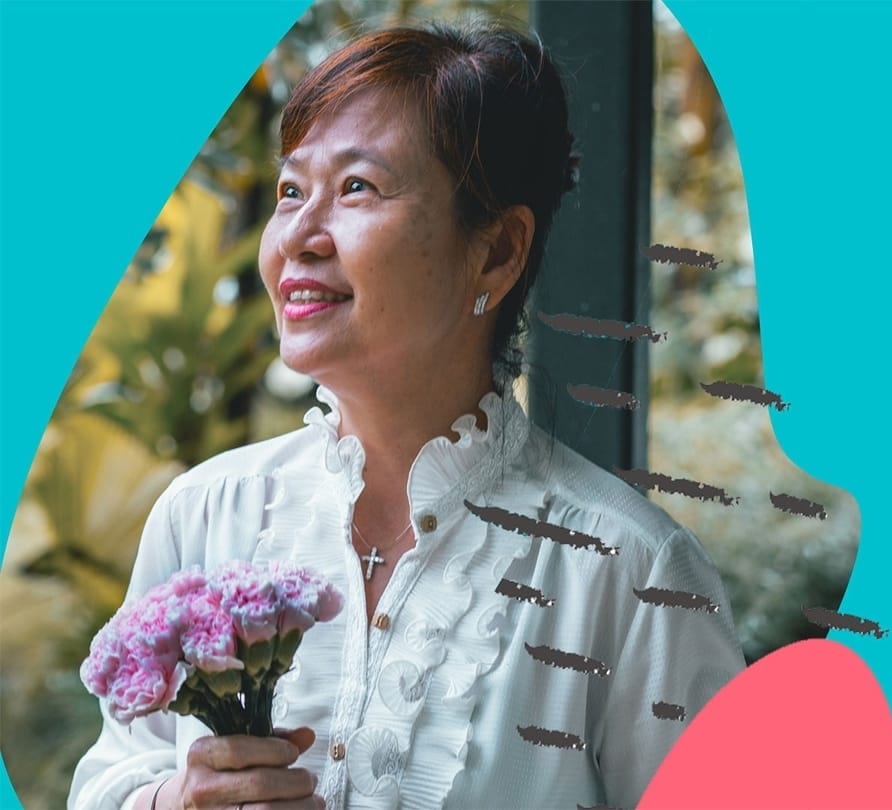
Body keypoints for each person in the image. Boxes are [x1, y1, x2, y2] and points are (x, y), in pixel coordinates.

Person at [69, 20, 745, 810]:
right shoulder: (205, 516)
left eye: (358, 187)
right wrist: (175, 800)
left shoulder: (630, 575)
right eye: (292, 191)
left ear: (496, 252)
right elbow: (113, 773)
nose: (298, 238)